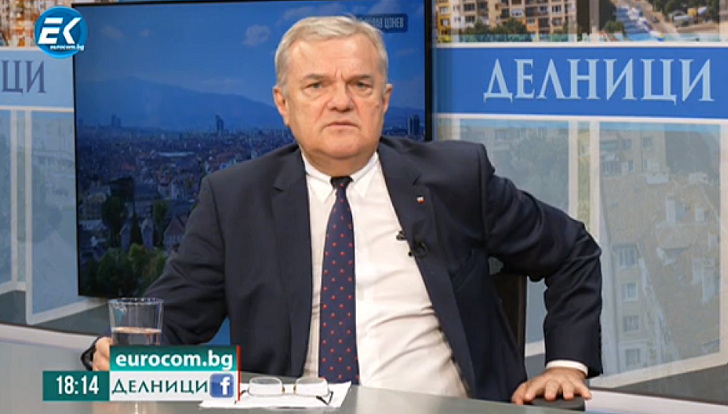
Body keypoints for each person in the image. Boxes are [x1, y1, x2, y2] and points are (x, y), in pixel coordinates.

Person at [83, 15, 603, 405]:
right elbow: (167, 324)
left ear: (384, 99)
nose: (340, 101)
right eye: (316, 85)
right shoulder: (234, 199)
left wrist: (566, 366)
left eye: (360, 84)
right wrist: (113, 354)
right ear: (283, 103)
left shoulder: (456, 177)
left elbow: (573, 251)